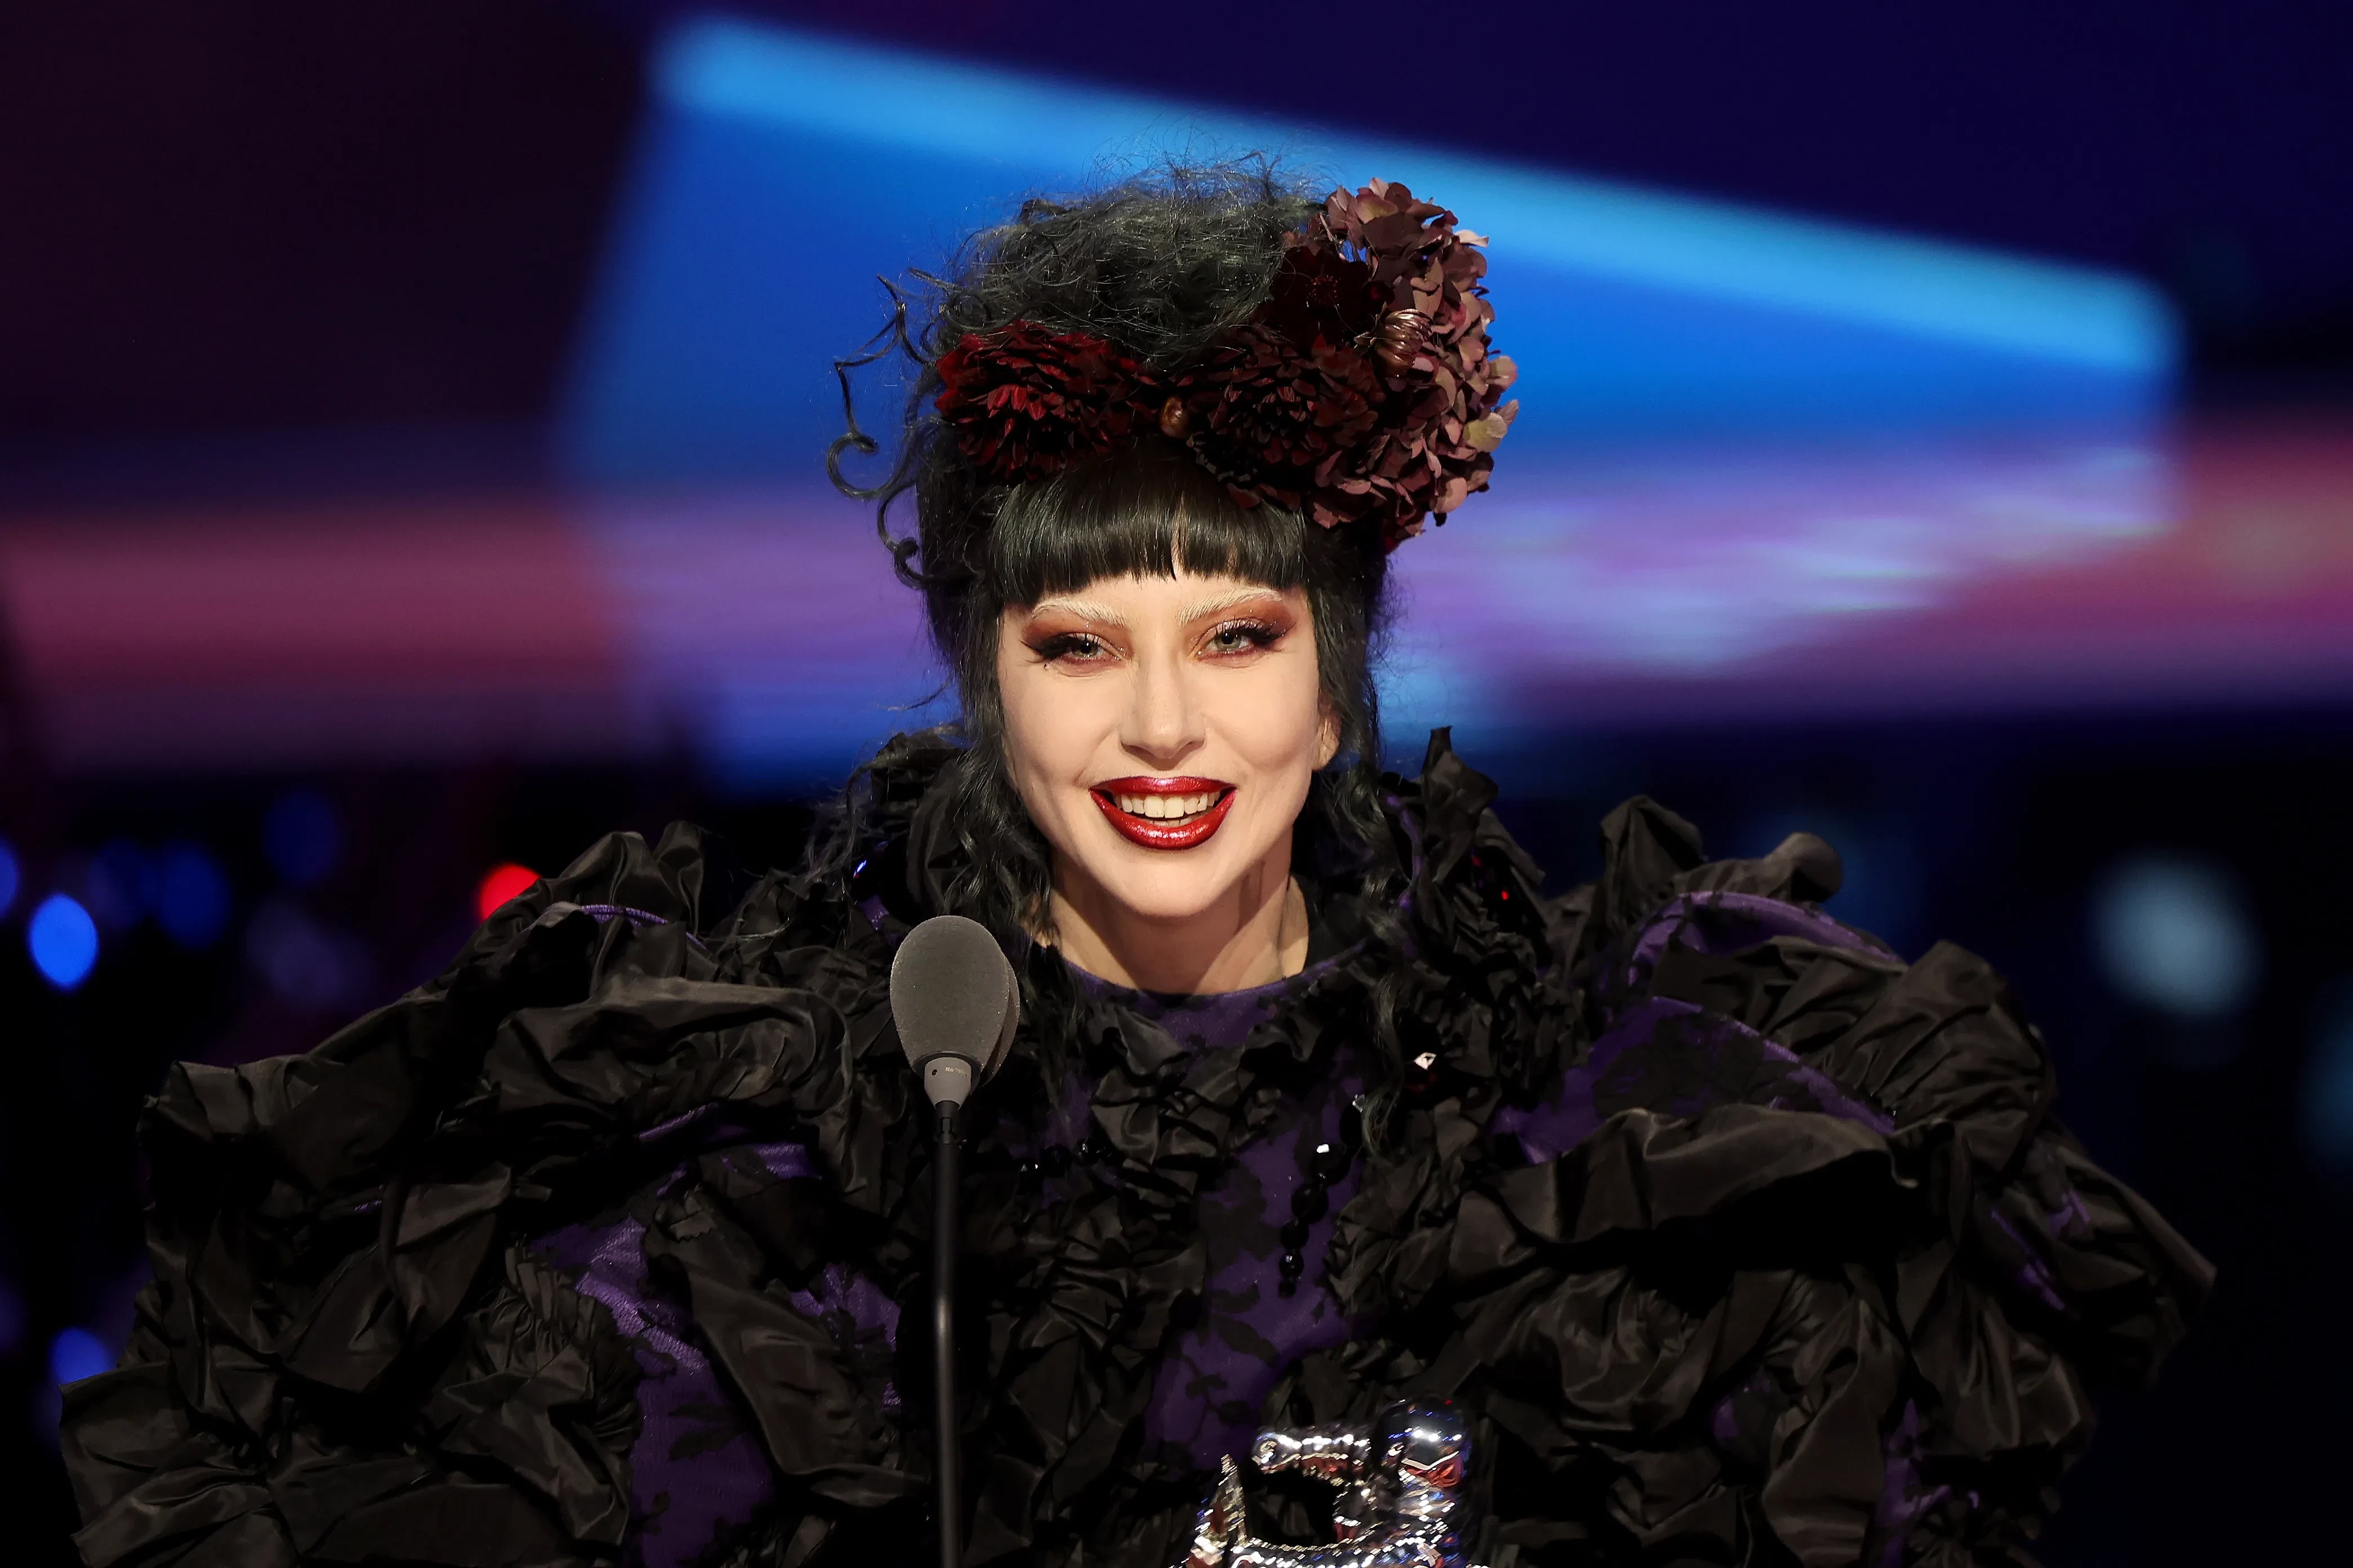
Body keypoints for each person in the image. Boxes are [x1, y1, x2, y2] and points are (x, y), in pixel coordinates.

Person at [60, 162, 2208, 1568]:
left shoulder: (1577, 1107)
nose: (1163, 728)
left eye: (1238, 638)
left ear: (1338, 686)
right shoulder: (786, 1133)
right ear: (983, 684)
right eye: (1078, 644)